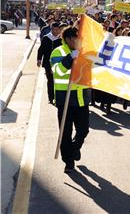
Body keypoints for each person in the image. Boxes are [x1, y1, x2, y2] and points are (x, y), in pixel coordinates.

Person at [50, 26, 91, 173]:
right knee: (65, 133)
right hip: (64, 99)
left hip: (81, 99)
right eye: (76, 38)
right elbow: (57, 71)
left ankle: (74, 148)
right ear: (67, 39)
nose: (78, 41)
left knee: (84, 130)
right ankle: (68, 161)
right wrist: (70, 58)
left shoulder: (84, 52)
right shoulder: (58, 52)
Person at [37, 22, 62, 104]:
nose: (55, 31)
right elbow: (41, 49)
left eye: (57, 30)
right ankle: (51, 98)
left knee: (58, 81)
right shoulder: (46, 38)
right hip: (48, 63)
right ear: (51, 29)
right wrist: (39, 59)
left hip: (59, 63)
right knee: (50, 80)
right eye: (54, 30)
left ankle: (58, 97)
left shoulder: (61, 39)